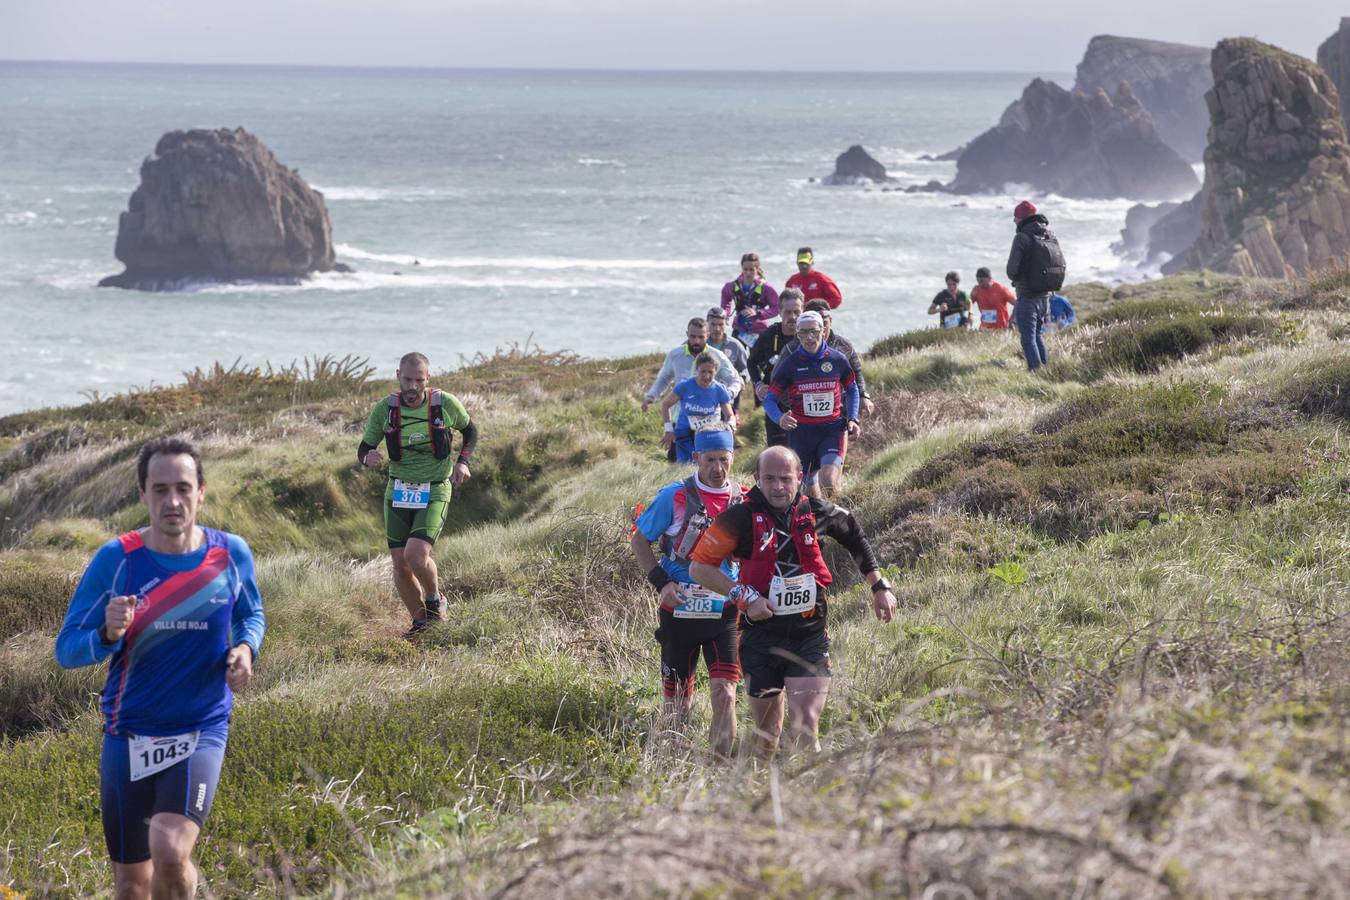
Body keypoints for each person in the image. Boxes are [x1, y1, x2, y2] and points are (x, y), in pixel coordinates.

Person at [55, 437, 265, 900]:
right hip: (128, 732)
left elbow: (251, 614)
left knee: (169, 852)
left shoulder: (229, 554)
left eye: (183, 488)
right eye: (160, 489)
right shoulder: (117, 560)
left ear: (201, 492)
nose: (173, 501)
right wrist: (106, 635)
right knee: (131, 886)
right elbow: (66, 650)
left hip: (200, 728)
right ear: (142, 494)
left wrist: (246, 649)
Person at [689, 445, 896, 760]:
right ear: (756, 478)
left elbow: (854, 534)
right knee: (767, 734)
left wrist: (879, 585)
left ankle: (806, 787)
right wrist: (744, 595)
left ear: (799, 478)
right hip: (759, 637)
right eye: (769, 479)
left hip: (808, 635)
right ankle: (759, 785)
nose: (777, 487)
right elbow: (699, 568)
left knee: (805, 727)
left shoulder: (816, 511)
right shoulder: (738, 518)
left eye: (785, 479)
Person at [629, 426, 744, 758]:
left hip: (724, 613)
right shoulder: (674, 496)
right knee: (678, 703)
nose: (718, 468)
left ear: (733, 457)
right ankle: (673, 766)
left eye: (724, 459)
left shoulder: (744, 499)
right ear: (696, 458)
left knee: (725, 693)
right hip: (679, 609)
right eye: (710, 460)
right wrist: (662, 583)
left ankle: (720, 768)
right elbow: (639, 539)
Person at [358, 352, 478, 637]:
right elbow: (364, 447)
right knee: (400, 564)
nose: (413, 386)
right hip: (398, 490)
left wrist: (463, 462)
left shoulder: (444, 403)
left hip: (435, 488)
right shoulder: (385, 409)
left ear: (428, 379)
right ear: (398, 375)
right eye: (408, 379)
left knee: (415, 554)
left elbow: (470, 432)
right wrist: (367, 458)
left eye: (419, 381)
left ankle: (435, 598)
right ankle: (421, 624)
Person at [764, 311, 859, 498]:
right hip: (802, 434)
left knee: (829, 481)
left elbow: (852, 390)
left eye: (814, 332)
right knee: (809, 493)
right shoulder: (789, 364)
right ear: (797, 334)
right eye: (803, 333)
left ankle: (840, 515)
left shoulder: (838, 359)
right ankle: (820, 516)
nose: (809, 337)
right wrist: (779, 417)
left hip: (832, 430)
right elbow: (769, 399)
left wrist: (853, 418)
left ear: (823, 331)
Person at [644, 319, 742, 461]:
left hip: (710, 422)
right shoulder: (675, 355)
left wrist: (727, 394)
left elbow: (735, 380)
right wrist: (651, 396)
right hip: (681, 419)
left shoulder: (717, 357)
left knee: (707, 461)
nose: (696, 341)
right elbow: (664, 378)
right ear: (687, 334)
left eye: (701, 337)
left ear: (707, 335)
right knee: (676, 461)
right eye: (693, 336)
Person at [1006, 200, 1067, 371]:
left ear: (1022, 218)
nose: (1014, 220)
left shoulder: (1021, 237)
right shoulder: (1050, 235)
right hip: (1045, 297)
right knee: (1037, 334)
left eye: (1016, 217)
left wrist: (1017, 278)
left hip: (1027, 296)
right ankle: (1045, 371)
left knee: (1027, 338)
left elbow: (1011, 270)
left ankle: (1036, 372)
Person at [791, 299, 875, 418]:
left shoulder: (844, 346)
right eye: (814, 326)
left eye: (824, 323)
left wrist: (863, 395)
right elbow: (780, 382)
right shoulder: (793, 348)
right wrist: (793, 407)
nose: (821, 328)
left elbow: (856, 373)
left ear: (830, 321)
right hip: (803, 413)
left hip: (840, 410)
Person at [747, 289, 804, 449]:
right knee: (778, 450)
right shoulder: (769, 335)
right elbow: (751, 362)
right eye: (788, 312)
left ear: (803, 310)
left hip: (804, 402)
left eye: (797, 312)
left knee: (802, 451)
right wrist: (758, 384)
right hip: (775, 403)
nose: (793, 317)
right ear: (779, 312)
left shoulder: (809, 336)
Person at [661, 353, 736, 464]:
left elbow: (730, 415)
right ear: (697, 370)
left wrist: (730, 425)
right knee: (686, 467)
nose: (706, 376)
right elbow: (665, 404)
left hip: (708, 434)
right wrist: (668, 429)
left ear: (716, 372)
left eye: (710, 372)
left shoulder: (719, 390)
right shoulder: (685, 385)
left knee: (705, 466)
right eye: (703, 371)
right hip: (685, 433)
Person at [720, 252, 780, 345]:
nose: (748, 273)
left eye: (751, 269)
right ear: (742, 268)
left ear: (757, 268)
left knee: (760, 355)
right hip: (739, 329)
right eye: (745, 269)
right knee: (733, 353)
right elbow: (725, 298)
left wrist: (758, 313)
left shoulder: (766, 288)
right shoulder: (732, 286)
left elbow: (777, 308)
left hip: (759, 330)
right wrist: (725, 316)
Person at [705, 307, 751, 412]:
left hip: (728, 399)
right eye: (713, 324)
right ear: (706, 323)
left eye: (721, 324)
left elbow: (746, 368)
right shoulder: (699, 344)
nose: (717, 329)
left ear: (726, 323)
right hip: (702, 397)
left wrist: (742, 378)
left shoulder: (735, 345)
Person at [970, 266, 1016, 330]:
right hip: (984, 329)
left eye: (982, 281)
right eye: (978, 281)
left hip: (1001, 328)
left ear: (990, 278)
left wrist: (1012, 319)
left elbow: (1017, 304)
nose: (979, 284)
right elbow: (966, 306)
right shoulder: (977, 290)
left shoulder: (1001, 289)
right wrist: (971, 296)